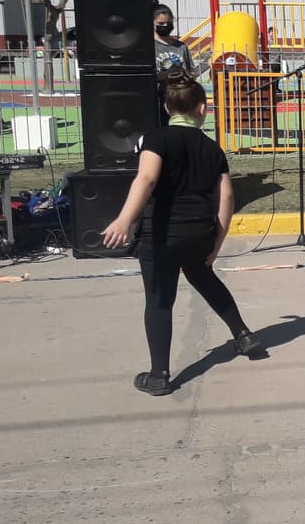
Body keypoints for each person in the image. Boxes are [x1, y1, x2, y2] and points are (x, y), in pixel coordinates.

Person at [101, 74, 260, 396]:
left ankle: (159, 375)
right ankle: (243, 334)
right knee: (203, 276)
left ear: (166, 107)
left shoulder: (156, 139)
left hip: (162, 234)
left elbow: (146, 179)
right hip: (199, 231)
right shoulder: (212, 147)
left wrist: (123, 220)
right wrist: (217, 241)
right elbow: (227, 197)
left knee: (159, 301)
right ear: (203, 108)